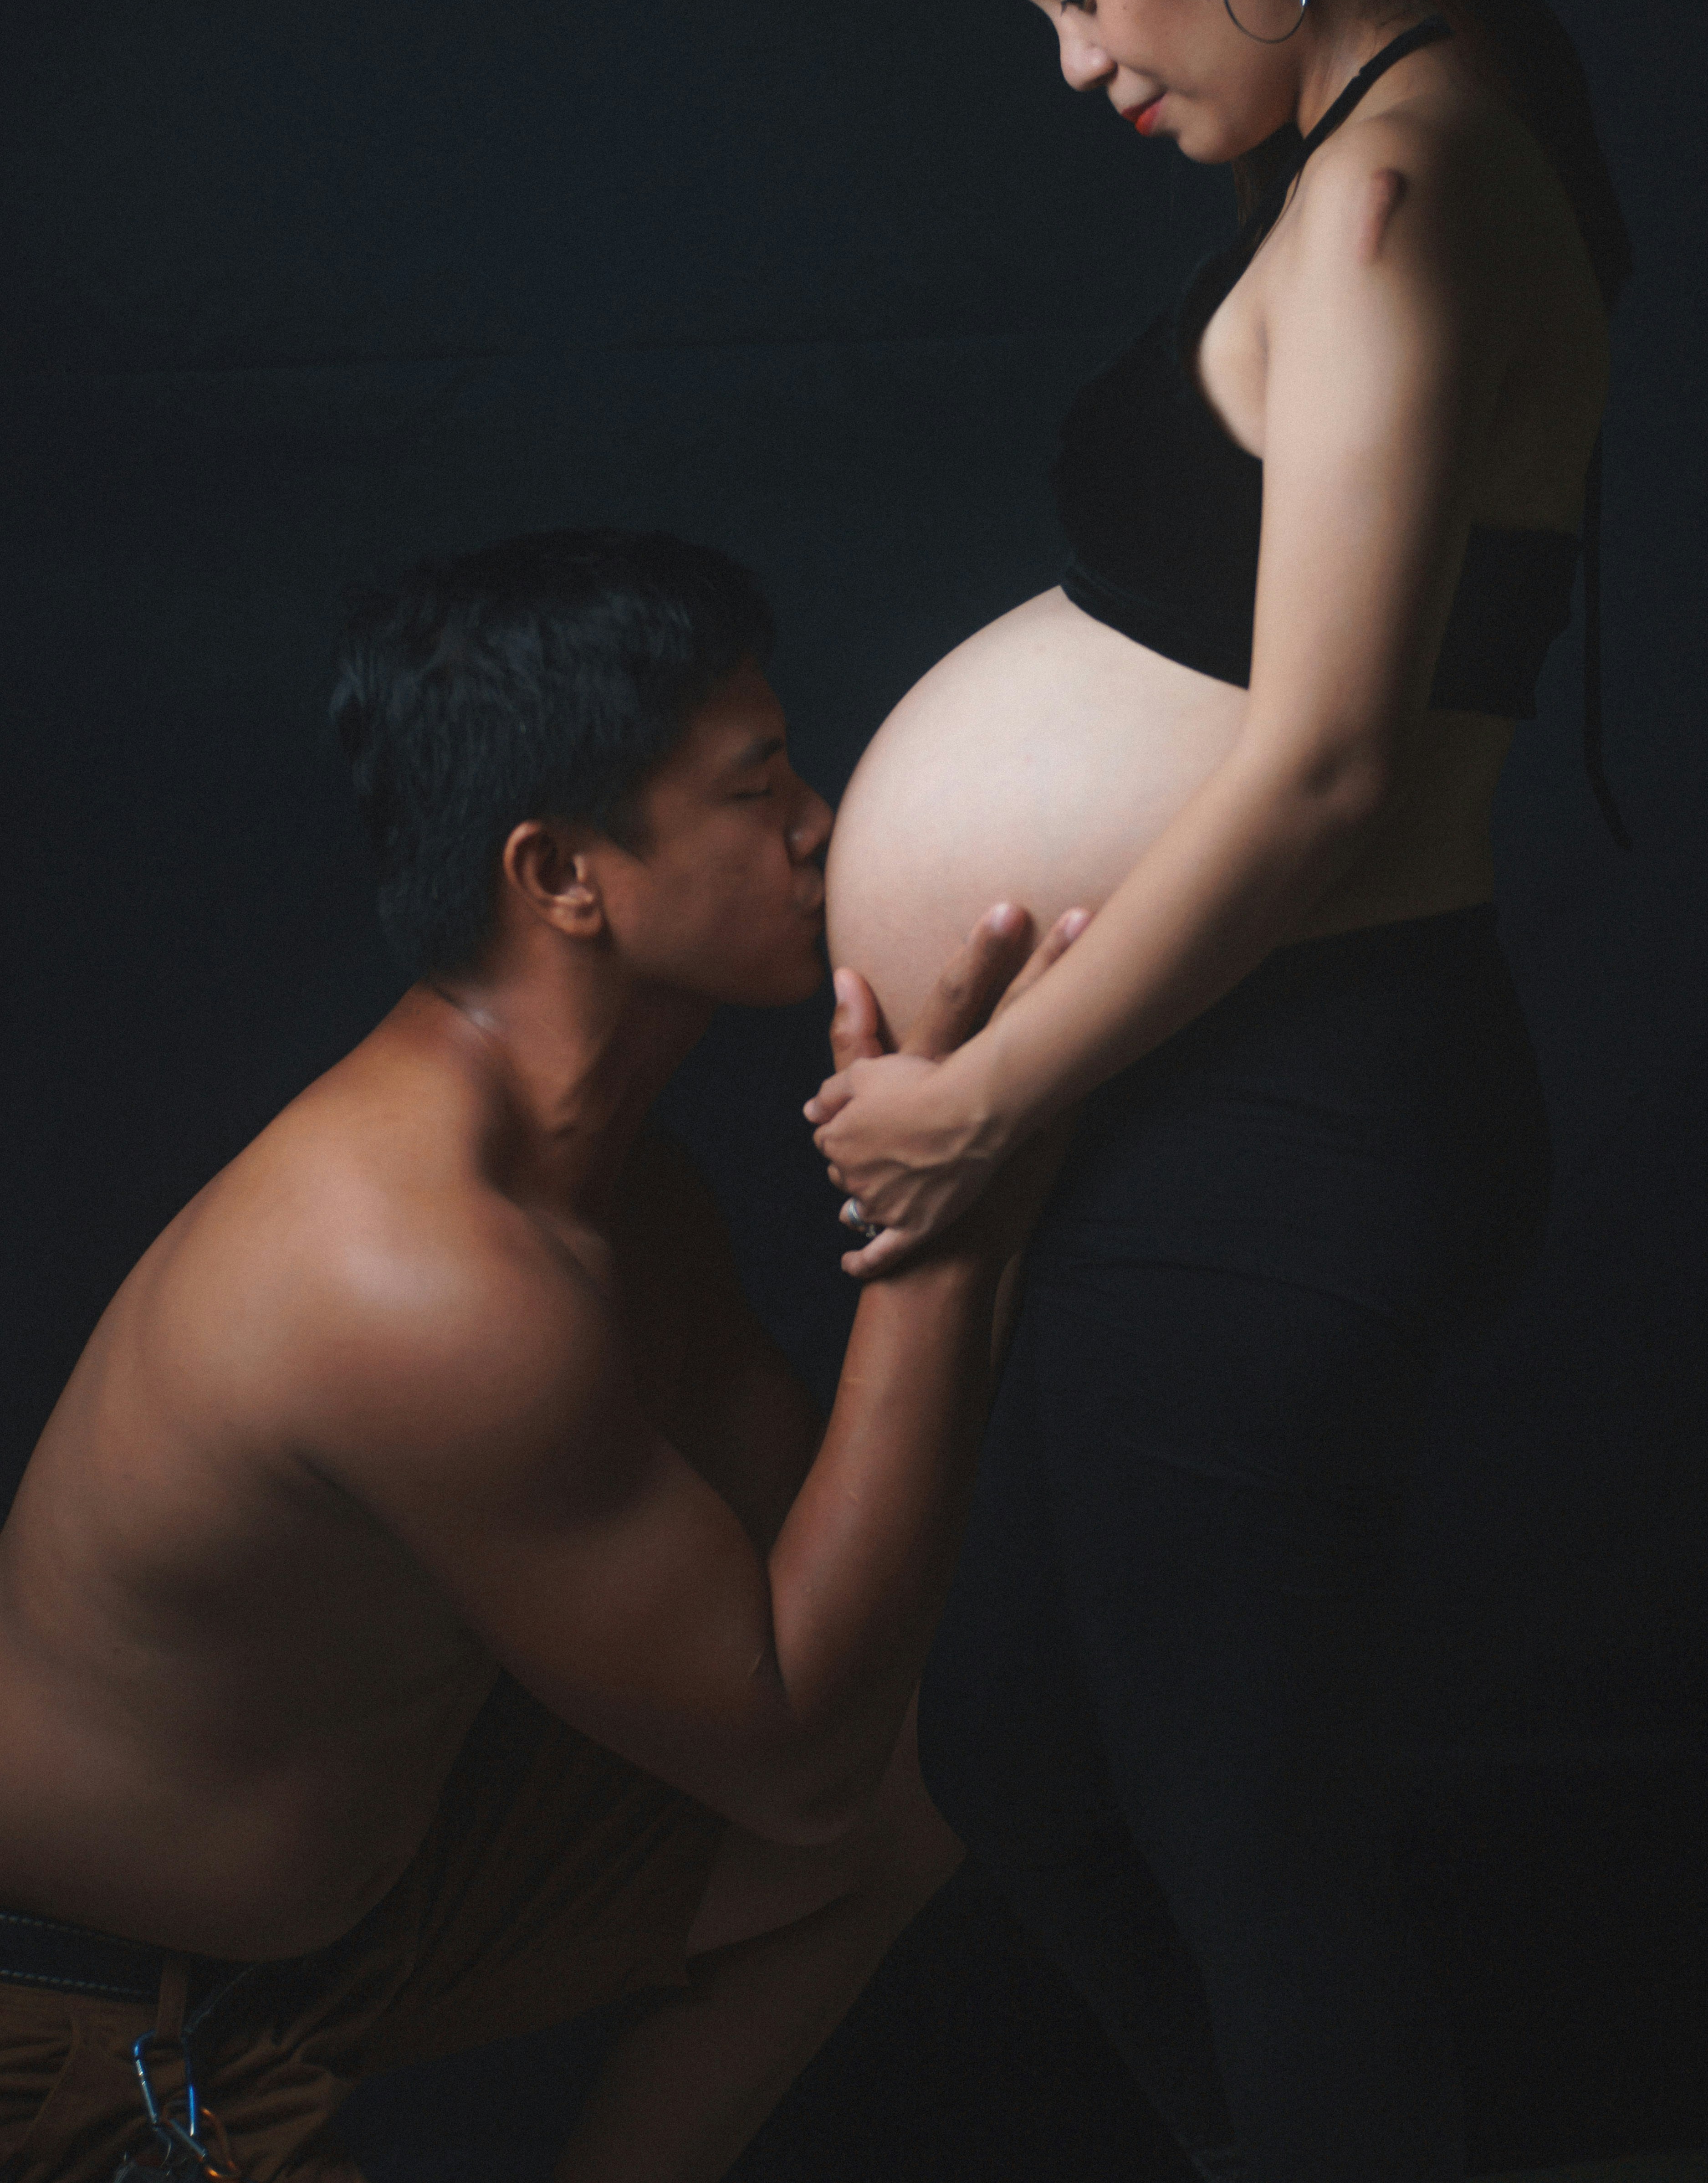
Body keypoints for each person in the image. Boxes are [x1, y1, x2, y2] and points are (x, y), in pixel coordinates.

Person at [811, 0, 1631, 2183]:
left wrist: (981, 1109)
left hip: (1295, 1101)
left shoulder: (1396, 184)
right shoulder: (1405, 119)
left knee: (1244, 1853)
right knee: (1032, 1756)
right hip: (1231, 1098)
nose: (1076, 61)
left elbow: (1318, 775)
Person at [0, 526, 1082, 2183]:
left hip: (378, 1908)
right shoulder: (417, 1281)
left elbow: (828, 1619)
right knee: (842, 1784)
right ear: (563, 875)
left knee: (927, 1784)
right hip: (87, 2025)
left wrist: (998, 1129)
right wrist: (957, 1225)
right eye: (758, 786)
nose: (820, 828)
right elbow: (793, 1759)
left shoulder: (621, 1189)